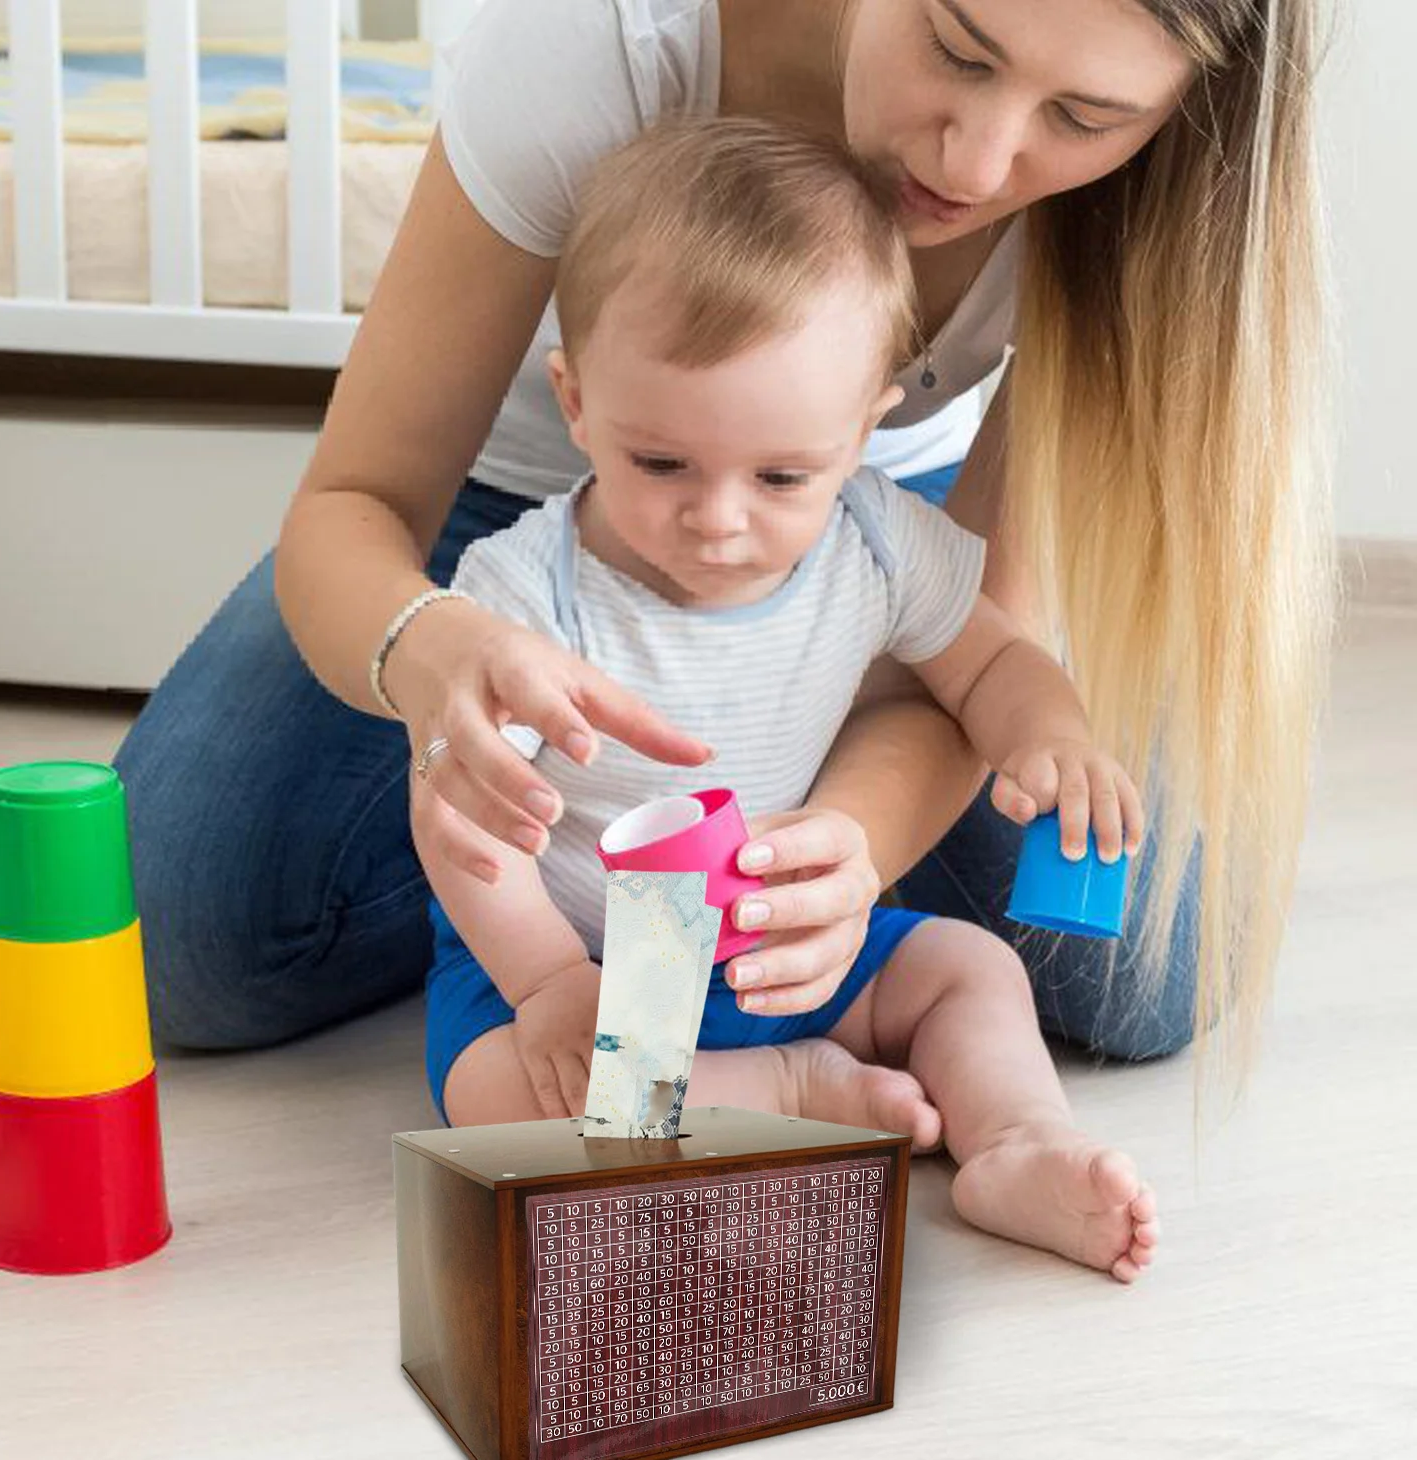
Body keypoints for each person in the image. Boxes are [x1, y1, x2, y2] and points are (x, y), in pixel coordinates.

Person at [115, 0, 1330, 1079]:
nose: (980, 158)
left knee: (1152, 971)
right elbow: (355, 506)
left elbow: (969, 658)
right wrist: (437, 657)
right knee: (176, 935)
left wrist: (846, 846)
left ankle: (749, 884)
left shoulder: (1152, 210)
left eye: (1082, 114)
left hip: (865, 525)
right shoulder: (604, 47)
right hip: (522, 518)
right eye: (957, 48)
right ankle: (593, 890)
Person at [418, 117, 1158, 1279]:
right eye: (659, 463)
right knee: (498, 1102)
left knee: (973, 970)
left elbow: (990, 662)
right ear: (575, 401)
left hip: (797, 950)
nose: (718, 520)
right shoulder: (524, 591)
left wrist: (1050, 735)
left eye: (779, 476)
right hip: (580, 966)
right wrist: (548, 982)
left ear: (862, 431)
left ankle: (1018, 1140)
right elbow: (455, 813)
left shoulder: (873, 537)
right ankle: (788, 1094)